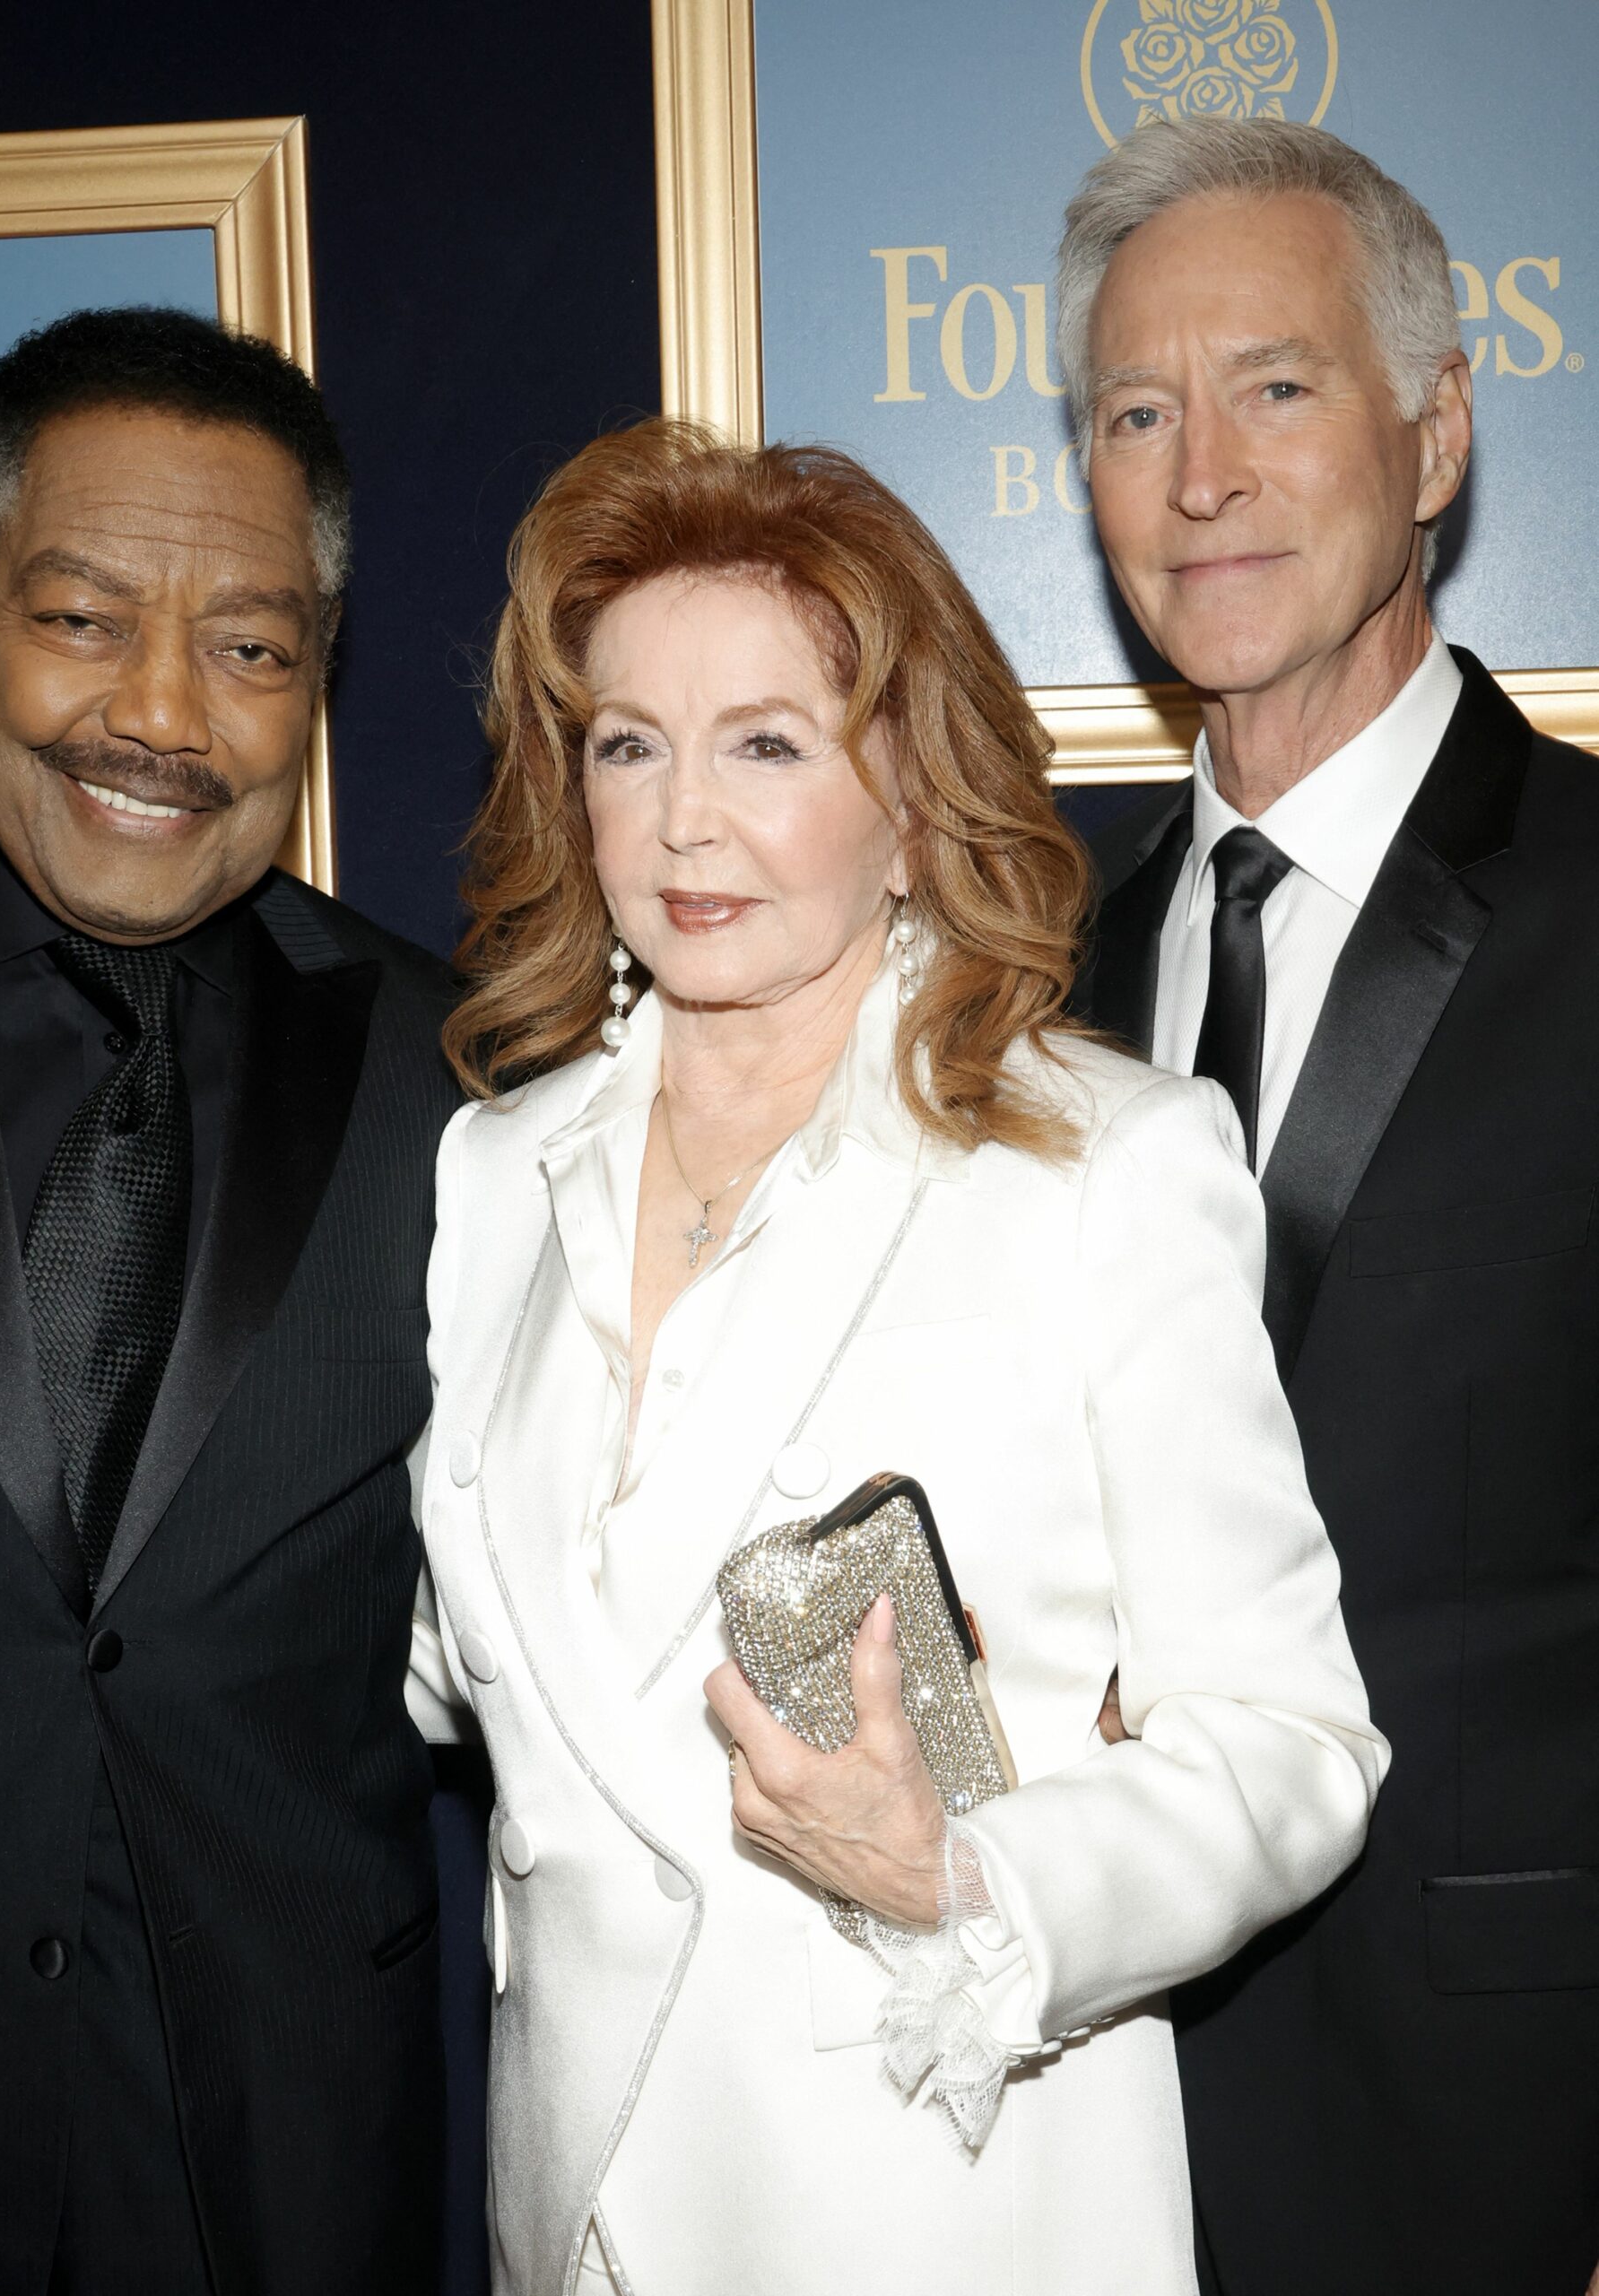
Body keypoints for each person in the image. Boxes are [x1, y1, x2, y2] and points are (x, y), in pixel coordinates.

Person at [408, 417, 1384, 2295]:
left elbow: (1291, 1745)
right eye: (628, 743)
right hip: (572, 2224)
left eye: (766, 744)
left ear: (914, 798)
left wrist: (968, 1873)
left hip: (937, 2204)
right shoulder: (494, 1174)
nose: (684, 819)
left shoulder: (1102, 1164)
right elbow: (469, 1667)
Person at [0, 308, 455, 2295]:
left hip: (283, 2161)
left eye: (249, 649)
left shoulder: (462, 1076)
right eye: (86, 620)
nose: (162, 713)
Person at [1064, 117, 1599, 2296]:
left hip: (1507, 2133)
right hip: (1079, 2133)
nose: (1200, 474)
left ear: (1436, 432)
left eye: (1272, 387)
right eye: (1133, 413)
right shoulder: (1030, 980)